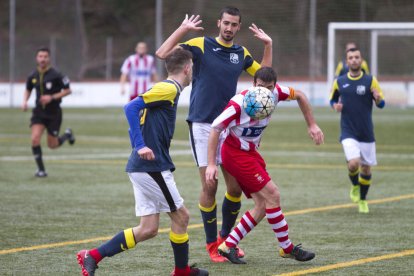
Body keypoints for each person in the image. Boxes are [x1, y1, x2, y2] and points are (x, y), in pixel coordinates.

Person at [156, 6, 273, 262]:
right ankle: (211, 245)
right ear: (219, 23)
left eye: (234, 24)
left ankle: (225, 241)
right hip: (202, 125)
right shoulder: (200, 44)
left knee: (233, 188)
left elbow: (264, 81)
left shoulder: (241, 53)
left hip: (230, 127)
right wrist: (182, 30)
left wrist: (267, 46)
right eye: (226, 23)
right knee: (210, 184)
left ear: (238, 27)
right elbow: (163, 53)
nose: (229, 28)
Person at [77, 49, 208, 276]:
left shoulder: (165, 89)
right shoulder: (168, 88)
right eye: (192, 69)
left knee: (148, 229)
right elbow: (130, 108)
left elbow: (137, 116)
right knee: (182, 216)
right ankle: (182, 272)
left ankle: (93, 255)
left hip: (143, 166)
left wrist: (138, 144)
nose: (192, 73)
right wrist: (140, 146)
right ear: (187, 68)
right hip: (151, 167)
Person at [205, 67, 324, 264]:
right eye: (261, 87)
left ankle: (227, 245)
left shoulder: (276, 93)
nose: (265, 93)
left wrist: (312, 124)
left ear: (274, 86)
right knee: (273, 195)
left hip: (251, 154)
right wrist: (211, 164)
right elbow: (215, 128)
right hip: (235, 154)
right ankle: (287, 248)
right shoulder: (239, 104)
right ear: (253, 84)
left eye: (269, 88)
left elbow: (300, 95)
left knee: (262, 205)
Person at [329, 47, 385, 213]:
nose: (354, 60)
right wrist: (335, 106)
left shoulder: (370, 80)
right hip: (348, 131)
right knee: (354, 164)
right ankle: (355, 185)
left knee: (366, 169)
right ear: (347, 62)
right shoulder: (339, 81)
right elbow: (332, 100)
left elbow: (382, 104)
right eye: (351, 58)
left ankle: (362, 199)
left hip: (366, 132)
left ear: (361, 60)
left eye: (357, 57)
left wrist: (378, 98)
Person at [22, 47, 75, 177]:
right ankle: (41, 170)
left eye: (45, 56)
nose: (43, 59)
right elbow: (28, 89)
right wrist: (24, 101)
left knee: (52, 145)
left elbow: (68, 90)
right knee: (35, 139)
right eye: (40, 56)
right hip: (39, 113)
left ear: (49, 58)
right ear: (37, 58)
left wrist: (51, 97)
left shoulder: (57, 74)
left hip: (54, 113)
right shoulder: (32, 75)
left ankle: (67, 135)